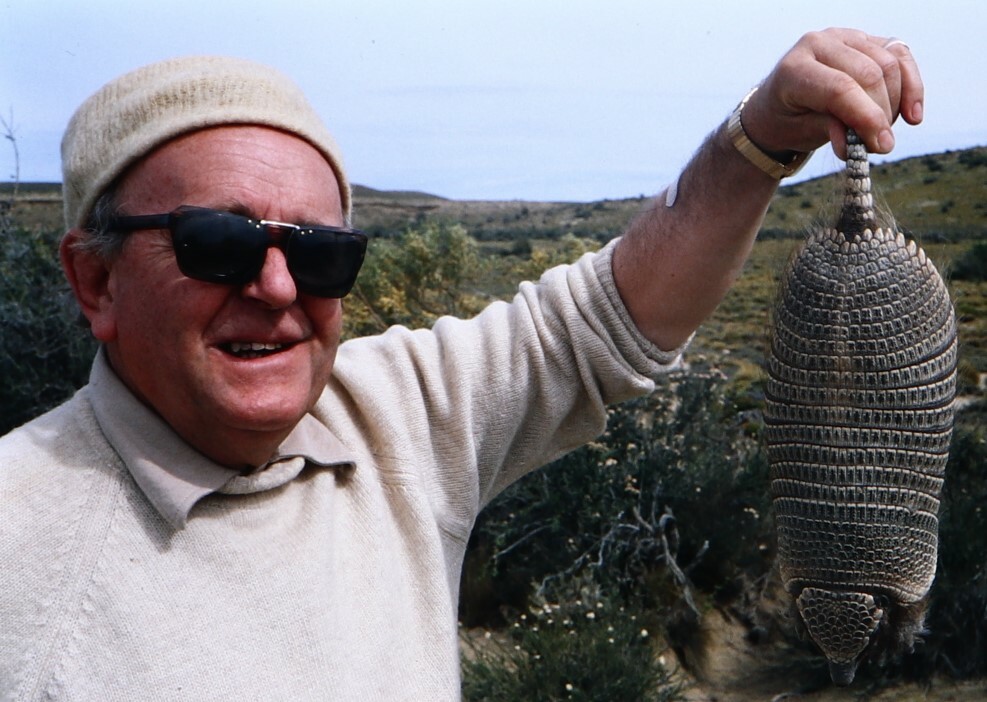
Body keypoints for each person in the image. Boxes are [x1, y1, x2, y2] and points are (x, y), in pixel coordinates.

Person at [0, 28, 922, 700]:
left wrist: (761, 137)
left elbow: (603, 321)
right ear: (96, 279)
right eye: (218, 243)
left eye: (321, 254)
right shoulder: (20, 539)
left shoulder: (391, 416)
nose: (277, 287)